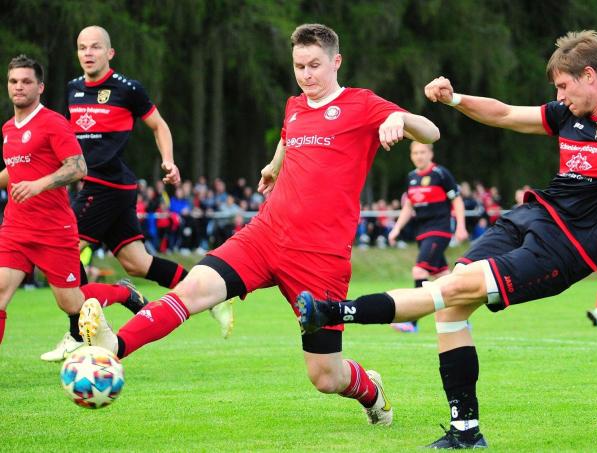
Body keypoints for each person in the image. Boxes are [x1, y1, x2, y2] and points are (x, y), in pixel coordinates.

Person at [296, 30, 597, 448]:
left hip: (567, 247)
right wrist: (456, 99)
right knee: (452, 299)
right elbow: (506, 113)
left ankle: (337, 312)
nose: (561, 96)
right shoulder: (568, 115)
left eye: (565, 86)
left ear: (591, 75)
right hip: (530, 217)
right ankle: (466, 430)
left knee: (452, 290)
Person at [79, 23, 439, 426]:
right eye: (299, 66)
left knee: (325, 376)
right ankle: (117, 344)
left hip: (319, 257)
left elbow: (432, 130)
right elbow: (289, 136)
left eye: (315, 65)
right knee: (194, 288)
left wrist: (401, 121)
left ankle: (370, 391)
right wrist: (273, 166)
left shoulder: (363, 104)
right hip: (265, 235)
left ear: (336, 62)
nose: (306, 75)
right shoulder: (295, 105)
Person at [40, 25, 233, 361]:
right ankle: (212, 294)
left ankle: (78, 332)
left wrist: (169, 162)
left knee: (66, 249)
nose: (88, 53)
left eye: (95, 47)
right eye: (82, 47)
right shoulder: (72, 90)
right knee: (137, 263)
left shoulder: (127, 88)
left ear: (109, 53)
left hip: (105, 184)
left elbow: (159, 125)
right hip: (110, 186)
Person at [0, 55, 140, 350]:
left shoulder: (53, 123)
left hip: (54, 229)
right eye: (13, 81)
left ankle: (122, 293)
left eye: (26, 82)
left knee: (71, 303)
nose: (18, 87)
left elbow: (78, 168)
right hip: (15, 227)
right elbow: (14, 171)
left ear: (40, 87)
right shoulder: (8, 129)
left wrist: (38, 185)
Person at [388, 141, 467, 333]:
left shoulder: (441, 174)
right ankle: (461, 319)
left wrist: (461, 227)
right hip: (422, 233)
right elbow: (409, 206)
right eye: (415, 153)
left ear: (430, 154)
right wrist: (396, 228)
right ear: (411, 155)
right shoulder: (411, 177)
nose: (419, 156)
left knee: (419, 271)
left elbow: (457, 200)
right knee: (444, 276)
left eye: (423, 152)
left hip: (439, 231)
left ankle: (412, 322)